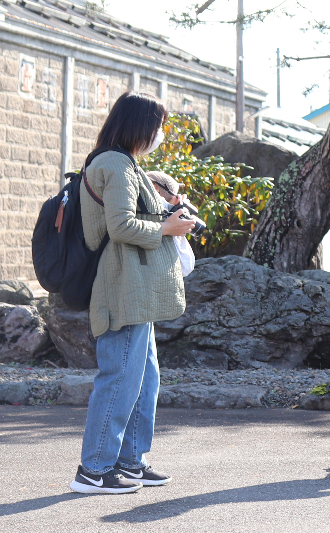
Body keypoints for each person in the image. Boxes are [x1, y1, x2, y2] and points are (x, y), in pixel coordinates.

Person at [71, 92, 196, 495]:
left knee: (143, 379)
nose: (160, 134)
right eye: (158, 126)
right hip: (121, 286)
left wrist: (169, 216)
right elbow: (121, 226)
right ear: (141, 125)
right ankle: (93, 470)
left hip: (134, 288)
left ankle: (130, 461)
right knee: (121, 376)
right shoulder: (114, 164)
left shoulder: (121, 163)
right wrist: (166, 229)